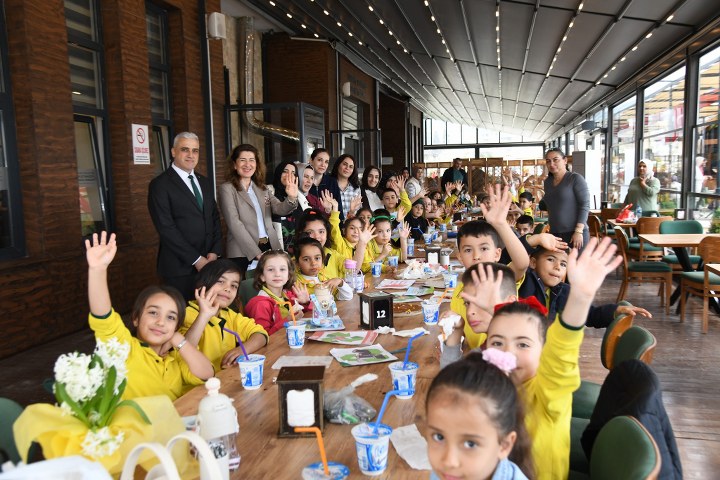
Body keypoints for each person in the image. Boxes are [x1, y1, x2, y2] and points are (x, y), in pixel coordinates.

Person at [458, 236, 623, 480]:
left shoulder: (548, 391)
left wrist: (580, 298)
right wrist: (494, 310)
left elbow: (561, 351)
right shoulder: (493, 382)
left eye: (523, 344)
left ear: (543, 351)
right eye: (497, 343)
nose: (508, 352)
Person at [85, 232, 213, 400]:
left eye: (171, 317)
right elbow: (103, 317)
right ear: (136, 318)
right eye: (153, 312)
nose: (160, 322)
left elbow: (207, 374)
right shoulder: (124, 348)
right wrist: (97, 270)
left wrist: (178, 339)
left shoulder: (175, 358)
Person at [427, 351, 533, 480]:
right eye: (439, 437)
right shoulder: (450, 474)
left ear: (504, 445)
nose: (449, 461)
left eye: (470, 444)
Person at [448, 185, 531, 349]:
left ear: (497, 254)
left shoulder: (501, 278)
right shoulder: (459, 293)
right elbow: (463, 335)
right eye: (468, 250)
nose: (476, 256)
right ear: (459, 257)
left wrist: (500, 224)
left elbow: (522, 263)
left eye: (484, 248)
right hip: (477, 359)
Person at [148, 132, 222, 300]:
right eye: (185, 149)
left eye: (195, 150)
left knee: (209, 311)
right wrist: (196, 260)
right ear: (173, 152)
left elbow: (214, 218)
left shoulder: (204, 182)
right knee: (183, 314)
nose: (191, 155)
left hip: (209, 264)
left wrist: (215, 251)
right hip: (179, 269)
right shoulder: (160, 185)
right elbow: (166, 228)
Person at [518, 246, 651, 327]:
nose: (557, 267)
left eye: (563, 264)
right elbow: (515, 260)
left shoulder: (565, 291)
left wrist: (615, 311)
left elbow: (589, 314)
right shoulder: (522, 282)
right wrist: (534, 240)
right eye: (551, 259)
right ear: (533, 262)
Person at [218, 144, 299, 273]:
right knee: (247, 285)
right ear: (234, 165)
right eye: (242, 160)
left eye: (252, 160)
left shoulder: (262, 188)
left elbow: (279, 209)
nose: (247, 164)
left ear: (256, 165)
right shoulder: (227, 189)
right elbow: (234, 224)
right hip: (242, 252)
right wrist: (256, 253)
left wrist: (291, 198)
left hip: (269, 247)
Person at [180, 259, 268, 372]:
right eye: (221, 281)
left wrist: (243, 349)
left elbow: (261, 334)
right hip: (199, 382)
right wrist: (204, 316)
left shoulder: (228, 315)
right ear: (202, 284)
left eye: (234, 286)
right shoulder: (186, 315)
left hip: (227, 377)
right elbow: (183, 353)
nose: (228, 289)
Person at [243, 250, 311, 336]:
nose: (277, 274)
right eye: (271, 269)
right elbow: (263, 337)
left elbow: (304, 319)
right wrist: (288, 320)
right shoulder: (260, 304)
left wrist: (305, 303)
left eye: (282, 269)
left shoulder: (289, 296)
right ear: (262, 276)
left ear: (288, 275)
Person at [542, 148, 590, 249]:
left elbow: (584, 205)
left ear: (565, 160)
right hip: (555, 233)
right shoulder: (547, 182)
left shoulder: (575, 179)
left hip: (575, 233)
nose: (551, 164)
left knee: (577, 260)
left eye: (555, 160)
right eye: (548, 161)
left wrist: (578, 231)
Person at [308, 148, 344, 219]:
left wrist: (328, 210)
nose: (323, 164)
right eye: (319, 160)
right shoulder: (305, 182)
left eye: (326, 162)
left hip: (329, 223)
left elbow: (339, 209)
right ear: (311, 161)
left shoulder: (332, 182)